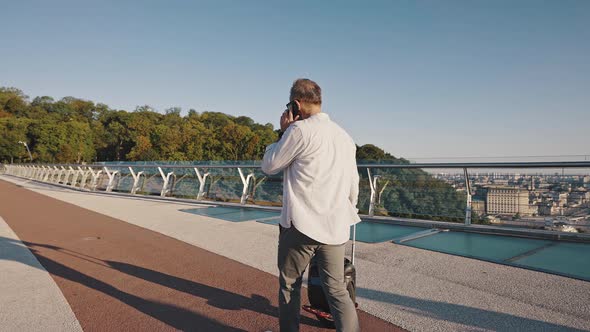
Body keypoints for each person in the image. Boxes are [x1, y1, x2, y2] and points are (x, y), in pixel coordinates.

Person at [261, 78, 361, 332]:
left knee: (290, 285)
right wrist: (345, 212)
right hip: (336, 226)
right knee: (337, 290)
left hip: (301, 225)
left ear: (296, 104)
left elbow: (269, 165)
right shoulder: (345, 137)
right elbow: (353, 185)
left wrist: (283, 131)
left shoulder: (299, 131)